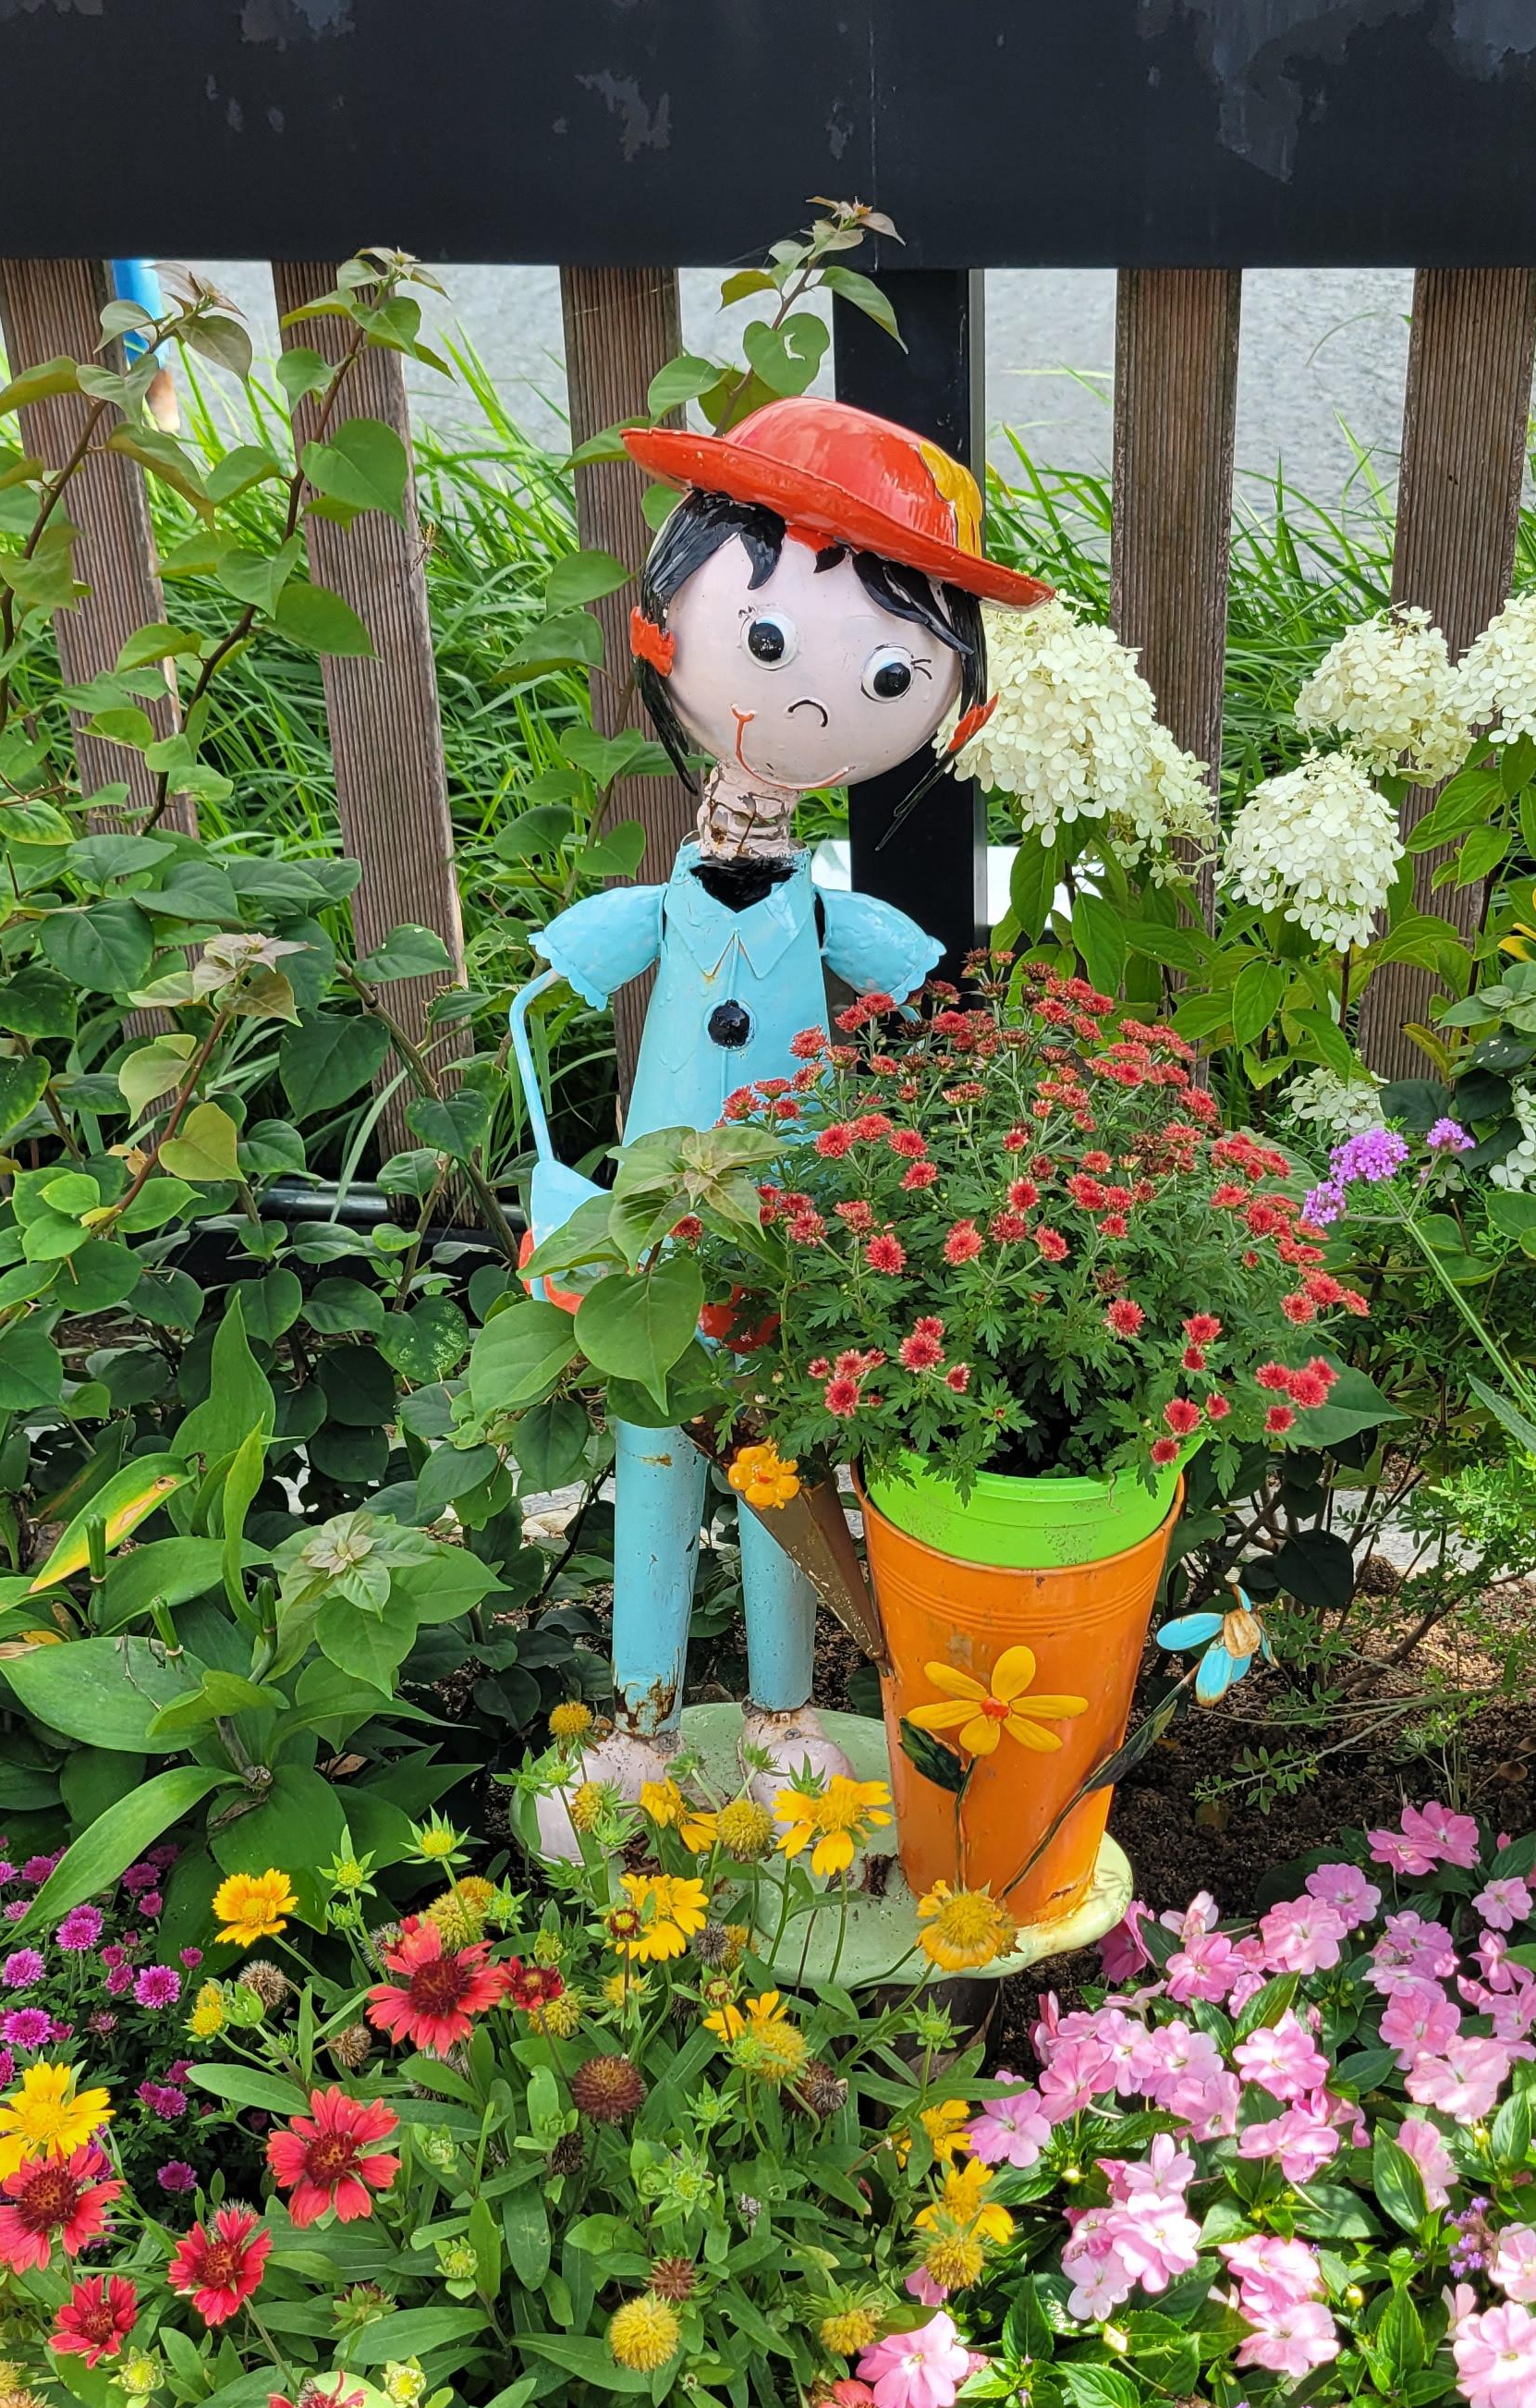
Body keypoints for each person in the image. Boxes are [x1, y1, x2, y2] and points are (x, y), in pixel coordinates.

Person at [509, 397, 1050, 1844]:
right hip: (652, 1255)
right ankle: (637, 1725)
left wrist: (944, 1164)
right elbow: (529, 1017)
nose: (810, 706)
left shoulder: (832, 917)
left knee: (788, 1480)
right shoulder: (659, 908)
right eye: (763, 639)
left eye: (886, 674)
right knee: (654, 1464)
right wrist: (556, 1176)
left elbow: (945, 1016)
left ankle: (782, 1717)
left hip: (796, 1258)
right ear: (664, 624)